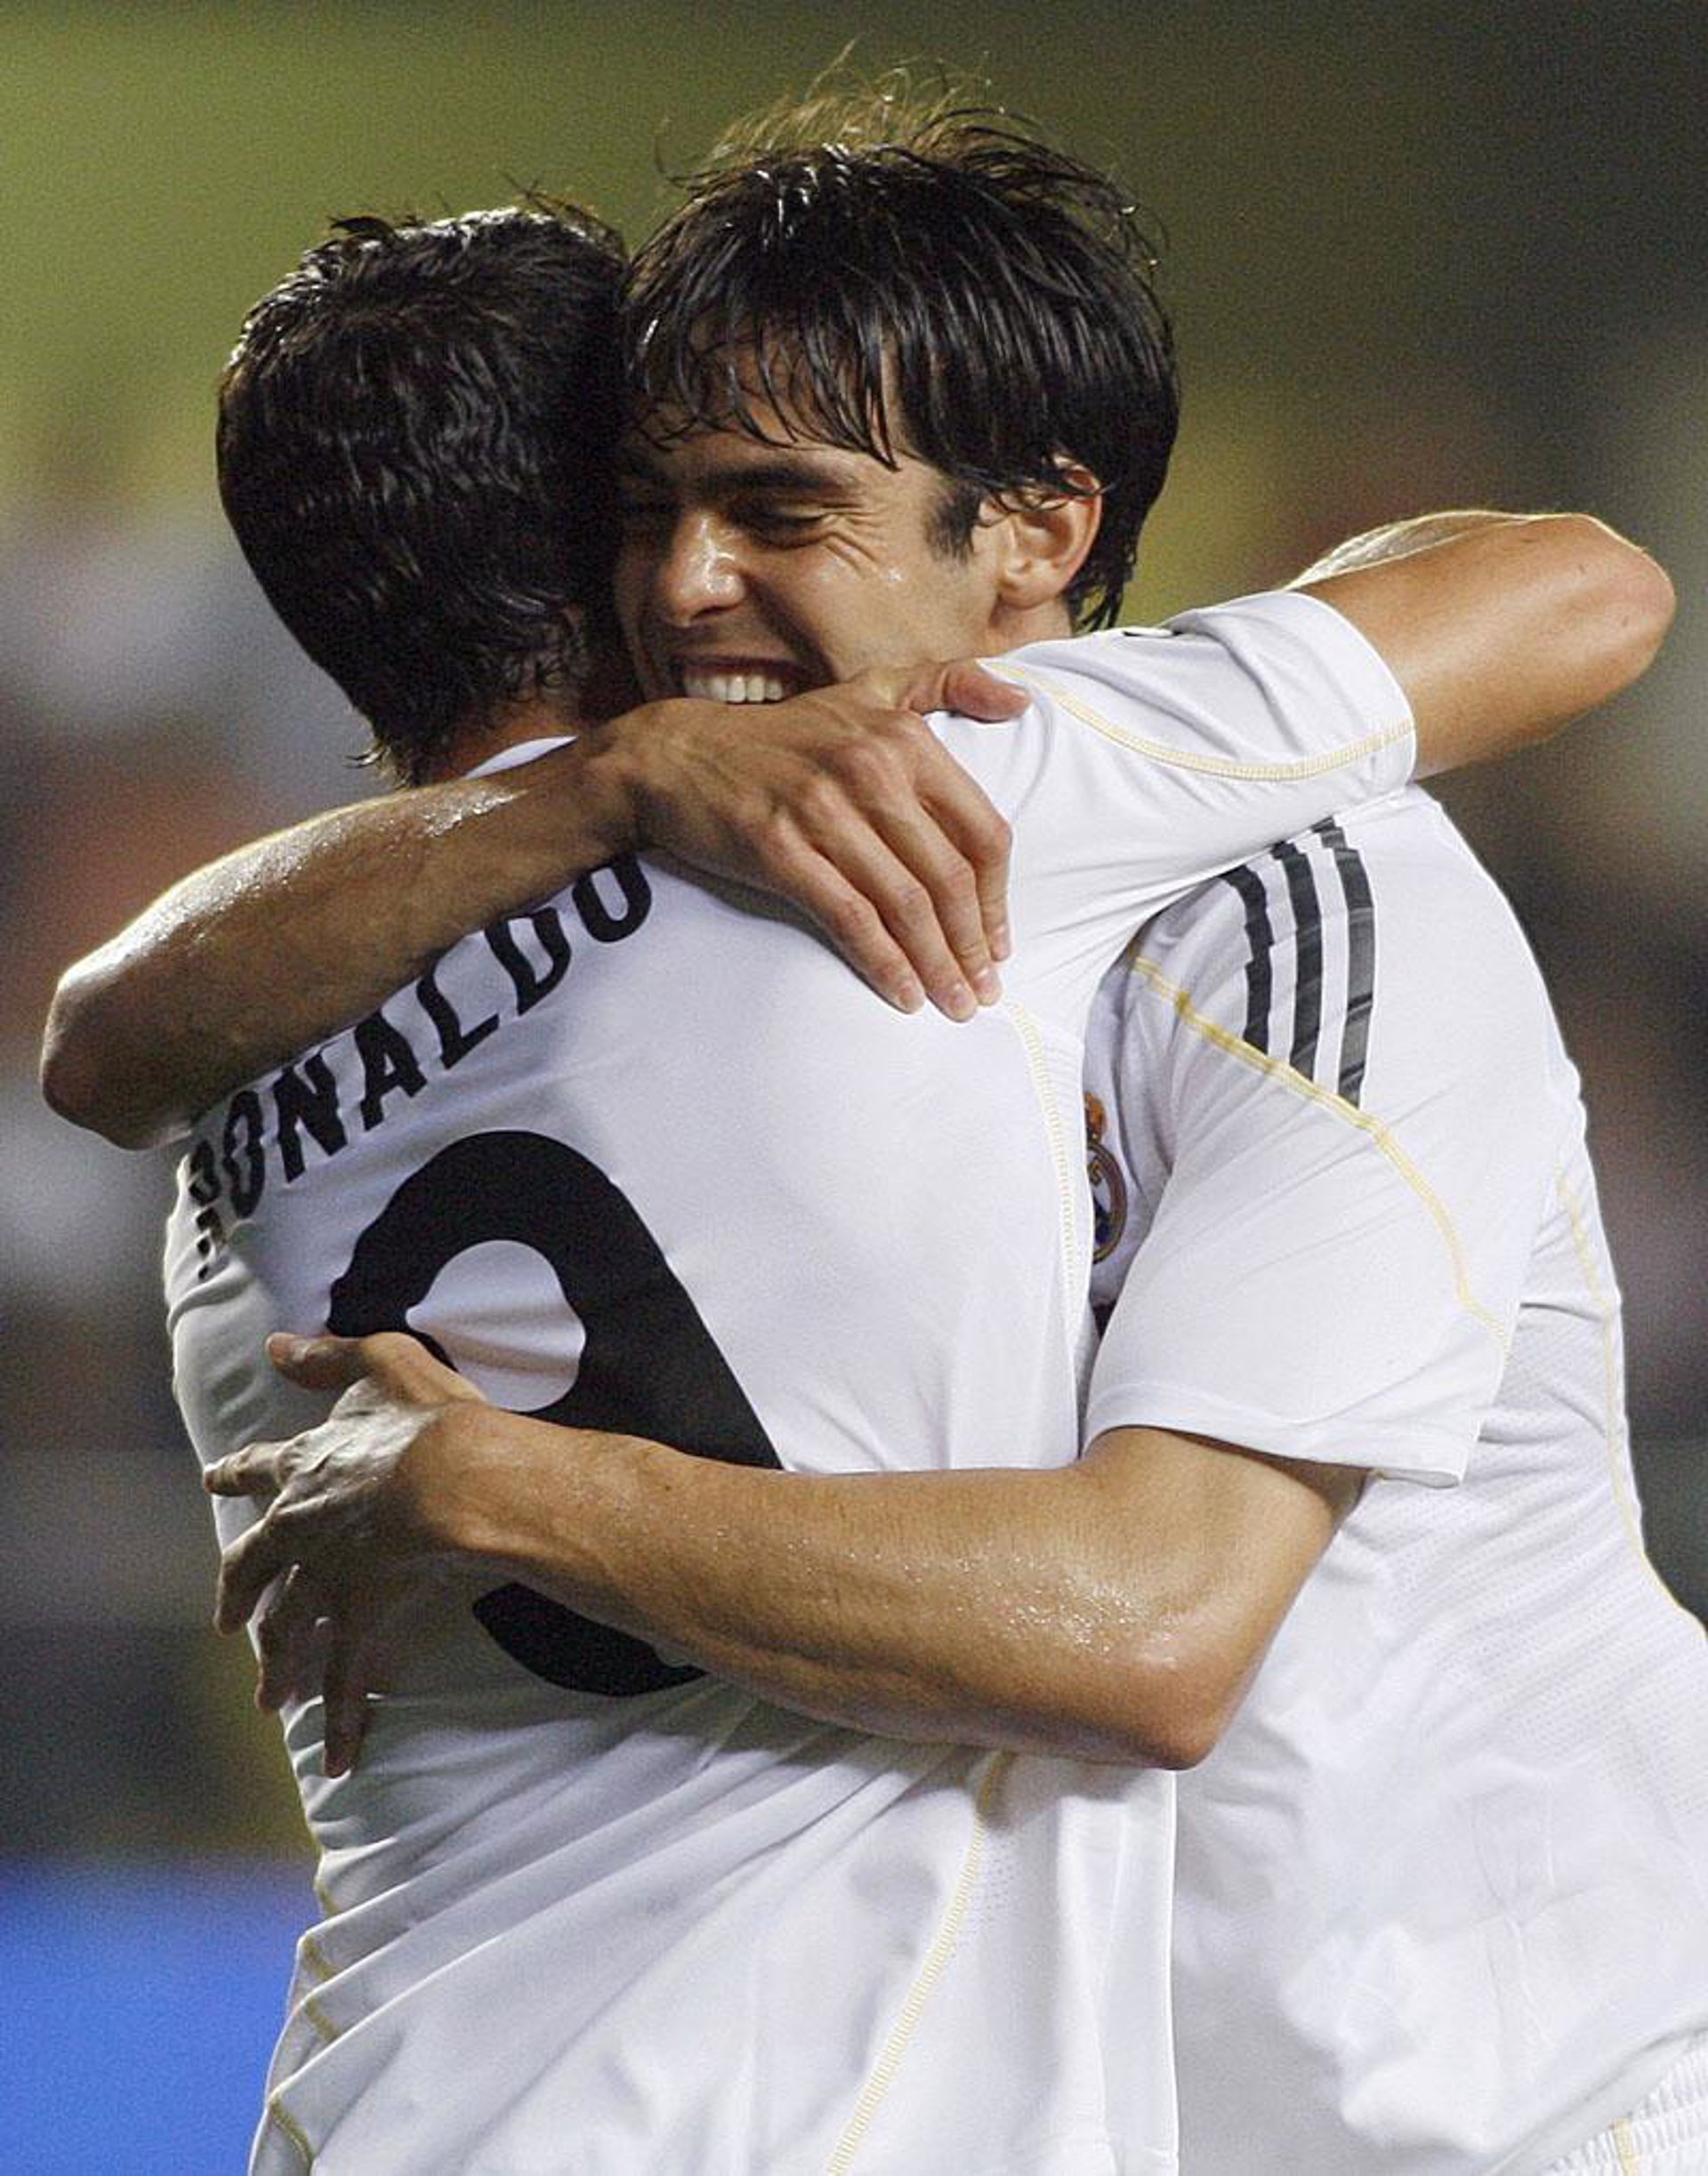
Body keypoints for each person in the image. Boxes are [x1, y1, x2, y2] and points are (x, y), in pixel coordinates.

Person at [44, 102, 1680, 2176]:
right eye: (651, 506)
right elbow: (1577, 582)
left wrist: (504, 1484)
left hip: (1484, 2113)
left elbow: (93, 1039)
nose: (693, 582)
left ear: (1037, 533)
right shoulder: (839, 849)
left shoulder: (242, 1100)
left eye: (773, 507)